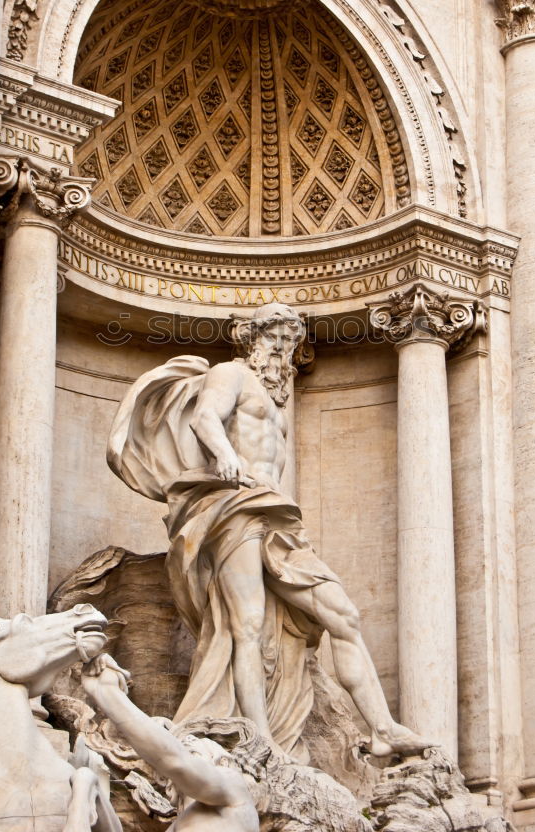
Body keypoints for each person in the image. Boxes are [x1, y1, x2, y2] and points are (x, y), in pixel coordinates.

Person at [108, 303, 431, 760]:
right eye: (273, 337)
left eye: (289, 339)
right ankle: (260, 742)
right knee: (249, 626)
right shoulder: (231, 374)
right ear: (252, 338)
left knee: (343, 614)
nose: (282, 347)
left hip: (275, 513)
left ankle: (382, 728)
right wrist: (224, 455)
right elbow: (204, 419)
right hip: (235, 506)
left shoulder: (274, 399)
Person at [81, 653, 259, 832]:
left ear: (222, 762)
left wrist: (107, 693)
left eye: (192, 752)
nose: (181, 750)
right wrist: (88, 790)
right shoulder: (178, 825)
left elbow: (175, 761)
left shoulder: (235, 791)